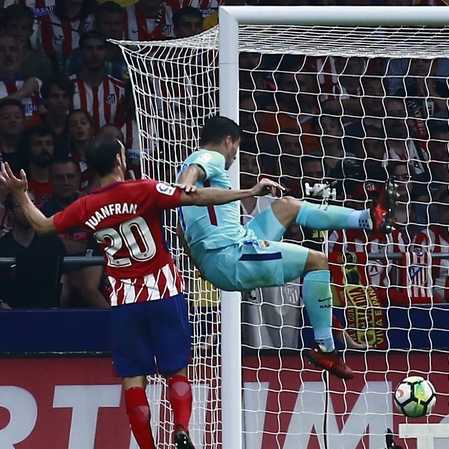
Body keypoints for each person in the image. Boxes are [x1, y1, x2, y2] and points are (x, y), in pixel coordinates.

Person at [0, 133, 277, 449]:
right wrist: (249, 191)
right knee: (176, 370)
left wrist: (21, 195)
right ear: (120, 159)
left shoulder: (85, 206)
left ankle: (148, 446)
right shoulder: (144, 189)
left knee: (134, 380)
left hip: (124, 302)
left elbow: (43, 226)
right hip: (163, 293)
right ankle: (182, 427)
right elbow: (198, 197)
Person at [175, 115, 398, 380]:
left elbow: (181, 229)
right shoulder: (209, 159)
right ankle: (326, 348)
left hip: (231, 245)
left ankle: (367, 218)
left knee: (289, 205)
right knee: (317, 261)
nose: (235, 154)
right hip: (231, 255)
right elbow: (194, 172)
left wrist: (198, 262)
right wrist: (188, 184)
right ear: (228, 140)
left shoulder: (189, 165)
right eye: (237, 146)